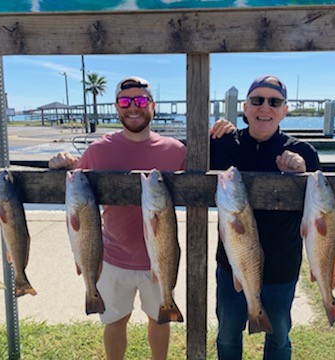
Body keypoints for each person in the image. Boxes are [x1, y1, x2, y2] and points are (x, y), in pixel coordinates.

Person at [49, 76, 233, 360]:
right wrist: (58, 164)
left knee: (160, 319)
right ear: (116, 107)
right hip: (111, 256)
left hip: (161, 257)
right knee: (114, 321)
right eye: (125, 101)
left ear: (153, 106)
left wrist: (222, 134)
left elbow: (210, 178)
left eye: (141, 100)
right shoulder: (98, 150)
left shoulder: (176, 150)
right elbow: (77, 182)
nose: (133, 107)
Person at [210, 74, 322, 360]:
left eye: (274, 102)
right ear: (245, 108)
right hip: (233, 264)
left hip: (281, 266)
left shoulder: (303, 151)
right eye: (257, 100)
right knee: (227, 335)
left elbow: (319, 206)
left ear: (285, 110)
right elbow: (177, 153)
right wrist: (208, 131)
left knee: (280, 336)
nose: (265, 107)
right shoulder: (223, 144)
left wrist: (302, 173)